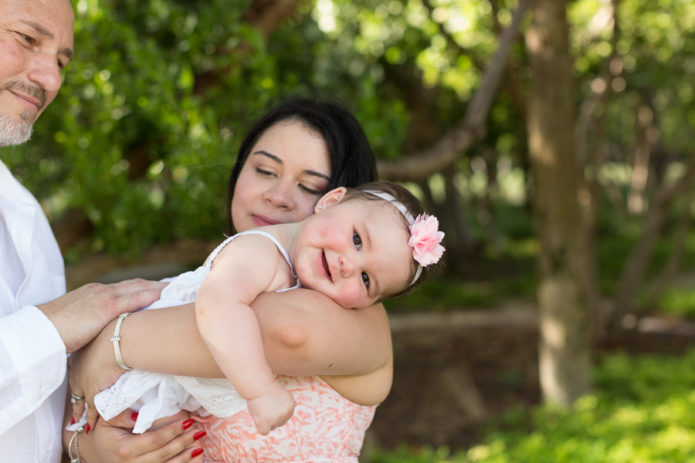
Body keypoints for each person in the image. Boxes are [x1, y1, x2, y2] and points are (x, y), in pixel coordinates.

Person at [67, 98, 406, 462]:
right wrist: (85, 448)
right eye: (264, 170)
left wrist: (110, 345)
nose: (277, 197)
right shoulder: (189, 289)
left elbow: (287, 331)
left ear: (343, 201)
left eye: (309, 186)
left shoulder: (361, 310)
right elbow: (79, 411)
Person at [71, 181, 444, 438]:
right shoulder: (261, 252)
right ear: (330, 201)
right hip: (136, 381)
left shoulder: (308, 279)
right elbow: (218, 305)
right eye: (357, 239)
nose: (349, 264)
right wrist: (260, 389)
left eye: (366, 281)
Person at [0, 0, 207, 461]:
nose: (50, 79)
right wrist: (55, 326)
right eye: (28, 39)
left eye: (60, 61)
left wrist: (83, 446)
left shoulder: (27, 217)